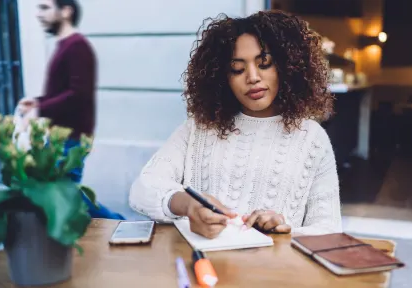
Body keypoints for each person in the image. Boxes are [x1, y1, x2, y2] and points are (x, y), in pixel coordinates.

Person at [129, 10, 342, 238]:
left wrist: (282, 229)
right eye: (237, 69)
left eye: (264, 63)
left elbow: (329, 233)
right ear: (222, 77)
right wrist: (188, 205)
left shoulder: (312, 139)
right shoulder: (199, 128)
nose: (252, 77)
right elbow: (142, 189)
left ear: (287, 67)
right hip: (203, 264)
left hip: (274, 270)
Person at [18, 0, 124, 220]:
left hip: (72, 138)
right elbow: (66, 92)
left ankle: (119, 224)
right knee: (67, 194)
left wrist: (40, 110)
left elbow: (78, 95)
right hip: (62, 136)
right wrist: (37, 103)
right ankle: (117, 225)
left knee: (67, 194)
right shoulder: (65, 45)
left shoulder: (77, 46)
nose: (38, 14)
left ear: (66, 11)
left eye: (45, 8)